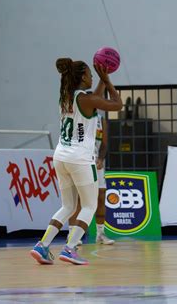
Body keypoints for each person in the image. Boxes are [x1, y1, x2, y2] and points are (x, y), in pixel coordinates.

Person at [30, 58, 122, 265]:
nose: (92, 77)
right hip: (80, 158)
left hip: (60, 156)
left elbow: (94, 99)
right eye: (90, 74)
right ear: (82, 77)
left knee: (68, 206)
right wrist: (107, 81)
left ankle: (42, 245)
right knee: (88, 205)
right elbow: (117, 104)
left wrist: (100, 80)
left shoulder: (67, 97)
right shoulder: (86, 100)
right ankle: (70, 249)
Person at [68, 110, 115, 245]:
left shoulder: (100, 119)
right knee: (76, 199)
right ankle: (72, 235)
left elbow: (104, 143)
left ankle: (100, 233)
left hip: (96, 162)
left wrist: (100, 158)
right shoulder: (75, 118)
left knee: (100, 197)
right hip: (79, 162)